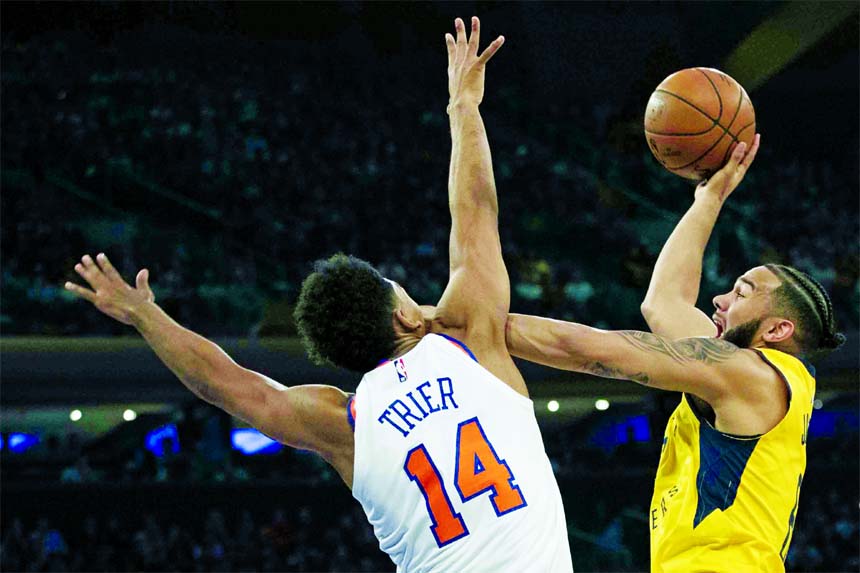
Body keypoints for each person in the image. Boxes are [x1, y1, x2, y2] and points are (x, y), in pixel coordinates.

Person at [65, 17, 573, 573]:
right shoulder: (469, 341)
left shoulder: (346, 423)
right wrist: (462, 109)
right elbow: (475, 212)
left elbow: (227, 385)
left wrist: (145, 315)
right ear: (404, 313)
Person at [505, 136, 845, 573]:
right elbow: (665, 303)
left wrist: (466, 323)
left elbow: (591, 351)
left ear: (778, 329)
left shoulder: (747, 374)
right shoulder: (751, 372)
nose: (719, 299)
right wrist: (710, 199)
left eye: (741, 293)